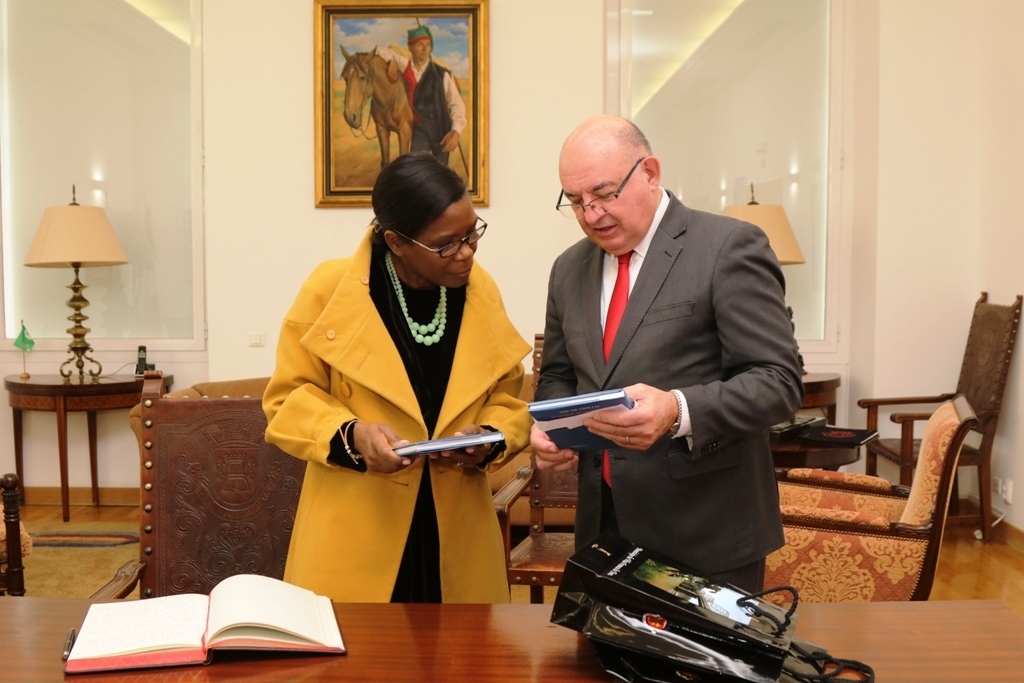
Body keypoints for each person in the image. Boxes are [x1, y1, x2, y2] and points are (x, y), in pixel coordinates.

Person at [531, 115, 804, 593]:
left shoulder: (726, 246)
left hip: (707, 530)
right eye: (575, 201)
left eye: (604, 194)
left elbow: (778, 381)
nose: (591, 215)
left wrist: (677, 410)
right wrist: (552, 428)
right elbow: (558, 375)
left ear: (650, 173)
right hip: (602, 528)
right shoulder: (568, 269)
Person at [263, 152, 531, 604]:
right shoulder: (329, 289)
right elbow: (287, 399)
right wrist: (352, 435)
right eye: (446, 244)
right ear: (397, 242)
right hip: (359, 525)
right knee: (357, 648)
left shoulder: (479, 288)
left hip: (457, 527)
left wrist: (489, 436)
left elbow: (506, 395)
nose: (466, 252)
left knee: (463, 647)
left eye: (472, 234)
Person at [378, 25, 466, 164]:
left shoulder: (441, 74)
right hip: (419, 130)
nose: (425, 49)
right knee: (417, 167)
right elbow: (380, 50)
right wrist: (391, 60)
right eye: (420, 45)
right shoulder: (405, 65)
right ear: (410, 47)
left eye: (428, 45)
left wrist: (456, 131)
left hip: (440, 130)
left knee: (440, 171)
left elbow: (456, 103)